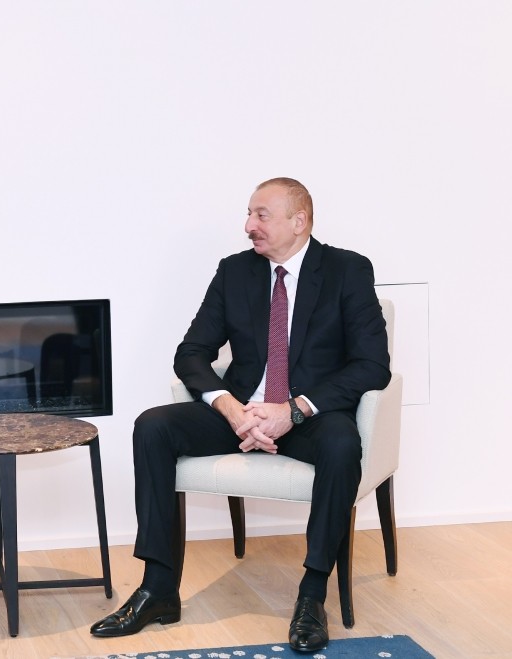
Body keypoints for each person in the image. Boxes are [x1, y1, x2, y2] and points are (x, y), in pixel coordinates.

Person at [89, 178, 390, 652]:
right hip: (243, 411)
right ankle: (158, 589)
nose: (249, 225)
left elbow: (373, 365)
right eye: (248, 214)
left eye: (261, 215)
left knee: (342, 443)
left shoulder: (346, 270)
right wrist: (229, 408)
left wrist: (293, 410)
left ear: (299, 220)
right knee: (153, 426)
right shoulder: (235, 271)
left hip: (308, 416)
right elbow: (191, 353)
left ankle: (312, 595)